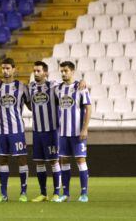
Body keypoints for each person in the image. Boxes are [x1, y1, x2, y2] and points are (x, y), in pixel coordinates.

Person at [53, 61, 92, 203]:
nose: (63, 73)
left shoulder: (80, 88)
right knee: (63, 160)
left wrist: (85, 128)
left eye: (66, 71)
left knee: (80, 160)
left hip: (77, 132)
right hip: (63, 133)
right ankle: (66, 194)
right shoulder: (58, 89)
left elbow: (88, 108)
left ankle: (84, 194)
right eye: (61, 71)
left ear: (72, 71)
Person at [0, 58, 30, 202]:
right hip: (1, 130)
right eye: (3, 68)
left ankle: (23, 193)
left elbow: (30, 105)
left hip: (17, 129)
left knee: (21, 159)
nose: (5, 71)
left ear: (14, 69)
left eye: (8, 68)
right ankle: (3, 194)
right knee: (2, 159)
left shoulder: (21, 87)